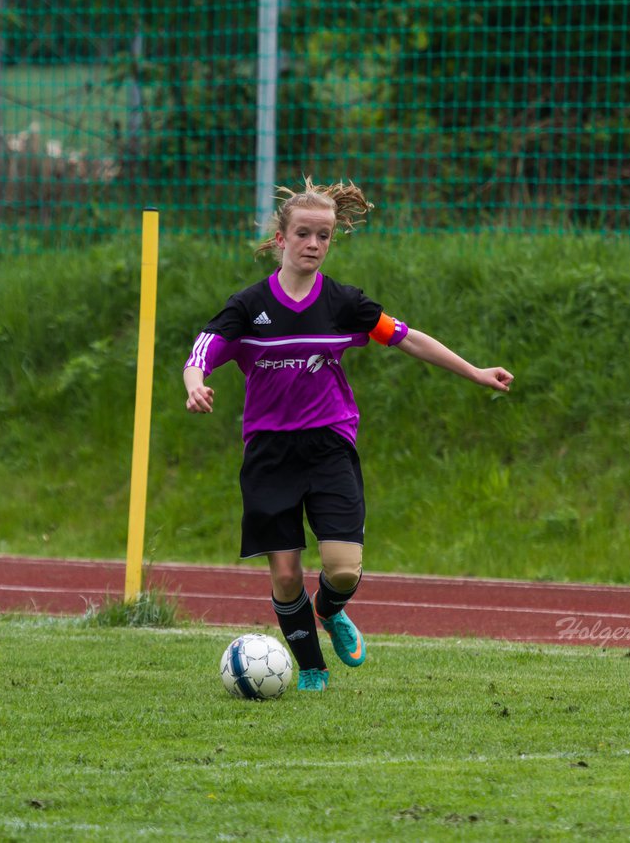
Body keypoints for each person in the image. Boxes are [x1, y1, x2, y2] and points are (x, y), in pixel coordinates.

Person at [183, 178, 513, 691]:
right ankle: (312, 668)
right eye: (304, 234)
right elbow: (202, 350)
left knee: (342, 570)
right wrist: (195, 385)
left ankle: (330, 610)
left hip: (329, 445)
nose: (314, 244)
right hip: (269, 452)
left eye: (324, 236)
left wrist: (474, 372)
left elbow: (407, 338)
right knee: (286, 574)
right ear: (280, 240)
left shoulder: (343, 303)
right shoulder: (248, 307)